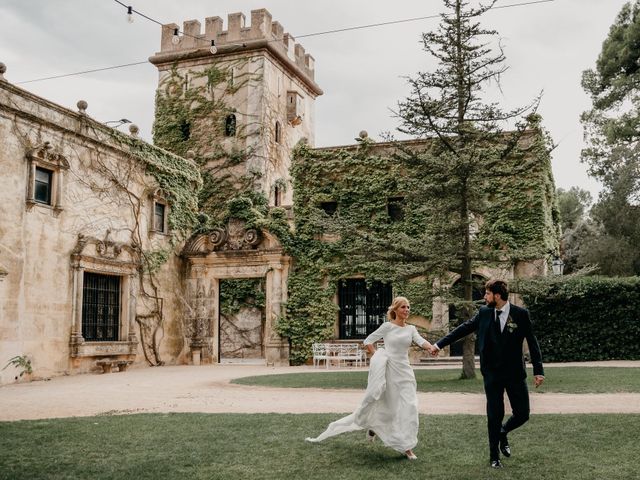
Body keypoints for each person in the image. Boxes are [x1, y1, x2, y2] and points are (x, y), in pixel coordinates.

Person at [427, 279, 544, 469]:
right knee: (494, 414)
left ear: (497, 296)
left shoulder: (520, 314)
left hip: (515, 372)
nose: (484, 297)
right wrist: (439, 344)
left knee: (523, 413)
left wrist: (538, 371)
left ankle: (503, 432)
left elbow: (532, 341)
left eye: (487, 294)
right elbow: (463, 329)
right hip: (492, 373)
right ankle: (493, 456)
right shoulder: (484, 313)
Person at [306, 296, 433, 460]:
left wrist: (431, 347)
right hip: (389, 371)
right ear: (395, 310)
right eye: (403, 307)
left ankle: (405, 444)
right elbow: (368, 341)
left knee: (410, 406)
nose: (406, 310)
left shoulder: (411, 329)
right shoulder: (387, 327)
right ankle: (384, 434)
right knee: (389, 405)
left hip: (405, 372)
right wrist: (379, 356)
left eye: (408, 307)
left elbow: (421, 341)